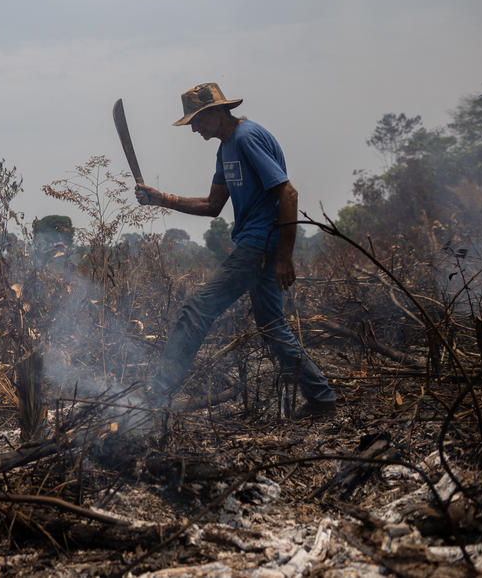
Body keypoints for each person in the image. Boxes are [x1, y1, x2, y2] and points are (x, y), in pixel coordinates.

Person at [135, 82, 337, 418]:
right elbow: (213, 205)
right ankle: (321, 399)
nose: (194, 129)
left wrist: (284, 256)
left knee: (196, 310)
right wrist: (160, 198)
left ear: (215, 112)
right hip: (256, 244)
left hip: (259, 245)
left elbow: (288, 194)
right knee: (272, 326)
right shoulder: (227, 148)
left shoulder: (246, 138)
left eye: (197, 121)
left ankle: (155, 400)